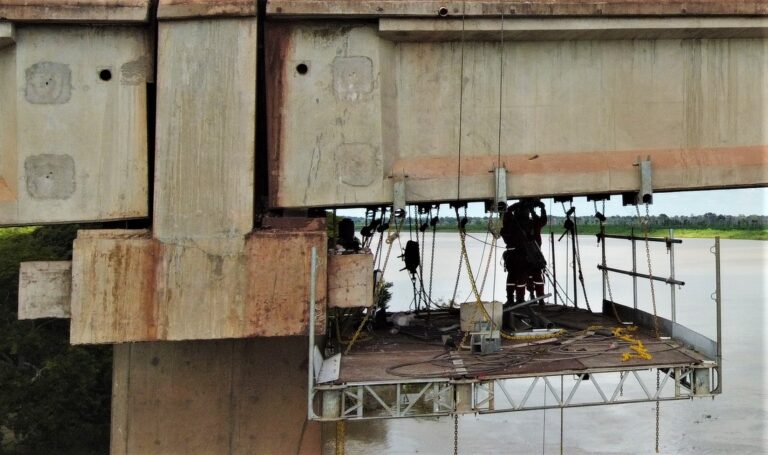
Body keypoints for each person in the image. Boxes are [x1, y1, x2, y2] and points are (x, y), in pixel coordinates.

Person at [500, 202, 532, 305]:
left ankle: (511, 299)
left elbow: (507, 215)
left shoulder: (507, 226)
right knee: (520, 277)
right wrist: (520, 204)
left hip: (512, 256)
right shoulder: (518, 225)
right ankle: (519, 299)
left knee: (512, 277)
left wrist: (516, 206)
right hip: (520, 255)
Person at [526, 200, 548, 302]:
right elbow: (542, 220)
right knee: (536, 276)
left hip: (528, 254)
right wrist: (541, 209)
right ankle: (540, 298)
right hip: (534, 254)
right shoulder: (535, 224)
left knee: (529, 275)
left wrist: (532, 210)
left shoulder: (526, 224)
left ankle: (533, 295)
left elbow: (542, 220)